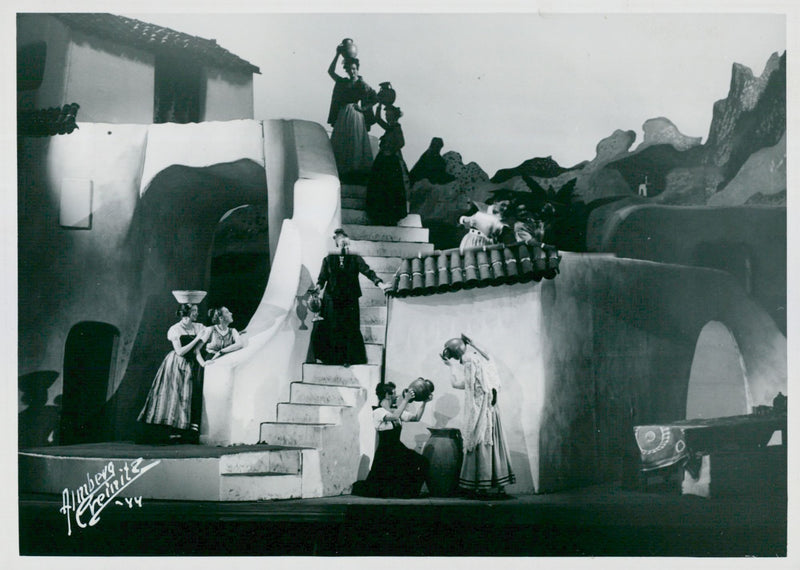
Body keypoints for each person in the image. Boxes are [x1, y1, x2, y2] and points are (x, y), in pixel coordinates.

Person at [441, 334, 515, 498]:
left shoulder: (469, 361)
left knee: (479, 442)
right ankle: (498, 486)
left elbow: (463, 385)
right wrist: (473, 343)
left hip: (482, 410)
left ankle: (480, 485)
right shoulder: (480, 358)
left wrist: (450, 366)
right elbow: (487, 360)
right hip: (492, 409)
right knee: (494, 444)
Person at [309, 228, 390, 366]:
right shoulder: (328, 259)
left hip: (349, 299)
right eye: (338, 239)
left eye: (344, 238)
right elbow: (322, 279)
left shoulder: (355, 258)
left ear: (347, 242)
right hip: (332, 299)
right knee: (332, 328)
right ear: (335, 242)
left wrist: (380, 284)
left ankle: (349, 359)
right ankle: (332, 360)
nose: (341, 241)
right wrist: (317, 288)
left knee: (349, 328)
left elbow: (368, 271)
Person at [138, 304, 211, 444]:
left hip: (192, 364)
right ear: (186, 313)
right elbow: (180, 352)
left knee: (188, 397)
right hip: (176, 364)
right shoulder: (175, 329)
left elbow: (199, 348)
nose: (196, 313)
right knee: (172, 397)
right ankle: (166, 432)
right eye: (194, 311)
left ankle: (184, 433)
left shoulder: (199, 327)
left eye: (196, 310)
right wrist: (196, 339)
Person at [351, 382, 432, 498]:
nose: (397, 396)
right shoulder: (377, 411)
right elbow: (394, 417)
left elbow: (416, 418)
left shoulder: (394, 411)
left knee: (422, 462)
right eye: (394, 393)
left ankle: (412, 492)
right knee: (384, 485)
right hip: (386, 453)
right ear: (387, 395)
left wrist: (424, 402)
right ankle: (408, 493)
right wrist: (406, 400)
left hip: (397, 449)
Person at [327, 50, 377, 182]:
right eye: (349, 69)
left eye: (354, 69)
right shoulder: (343, 82)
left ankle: (354, 172)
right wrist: (337, 54)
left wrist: (363, 108)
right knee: (342, 142)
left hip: (355, 115)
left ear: (357, 69)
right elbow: (330, 72)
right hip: (343, 115)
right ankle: (343, 172)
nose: (352, 71)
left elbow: (375, 97)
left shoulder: (362, 84)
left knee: (355, 142)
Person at [365, 103, 411, 226]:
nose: (387, 117)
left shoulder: (396, 127)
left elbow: (401, 143)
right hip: (385, 159)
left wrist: (390, 150)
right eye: (386, 115)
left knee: (388, 187)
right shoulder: (390, 127)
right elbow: (378, 120)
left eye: (388, 115)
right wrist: (379, 106)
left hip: (390, 160)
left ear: (394, 116)